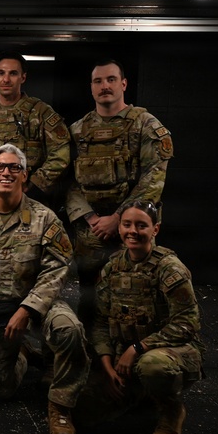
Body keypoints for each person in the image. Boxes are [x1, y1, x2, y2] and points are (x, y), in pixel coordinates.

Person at [0, 143, 88, 434]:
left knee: (69, 329)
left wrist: (28, 309)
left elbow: (58, 269)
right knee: (0, 390)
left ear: (25, 176)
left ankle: (61, 407)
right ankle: (24, 352)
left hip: (40, 304)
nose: (6, 172)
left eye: (15, 167)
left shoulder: (46, 219)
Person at [74, 200, 203, 434]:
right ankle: (139, 394)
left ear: (155, 229)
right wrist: (107, 365)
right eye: (127, 224)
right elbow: (101, 321)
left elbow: (187, 323)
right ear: (120, 228)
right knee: (82, 408)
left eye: (141, 225)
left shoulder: (169, 268)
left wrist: (138, 349)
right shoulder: (114, 267)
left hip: (169, 352)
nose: (133, 231)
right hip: (124, 357)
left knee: (154, 367)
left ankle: (170, 409)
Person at [65, 60, 173, 326]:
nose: (105, 86)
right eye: (98, 81)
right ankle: (92, 354)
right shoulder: (77, 131)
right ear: (91, 87)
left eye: (111, 79)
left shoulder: (145, 125)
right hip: (91, 230)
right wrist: (90, 218)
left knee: (136, 292)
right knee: (89, 294)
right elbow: (67, 180)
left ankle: (132, 355)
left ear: (123, 84)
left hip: (133, 228)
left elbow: (153, 178)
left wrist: (118, 219)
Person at [0, 52, 70, 205]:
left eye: (13, 73)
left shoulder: (40, 113)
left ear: (23, 77)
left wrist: (34, 184)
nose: (6, 79)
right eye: (1, 73)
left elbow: (61, 153)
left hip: (32, 201)